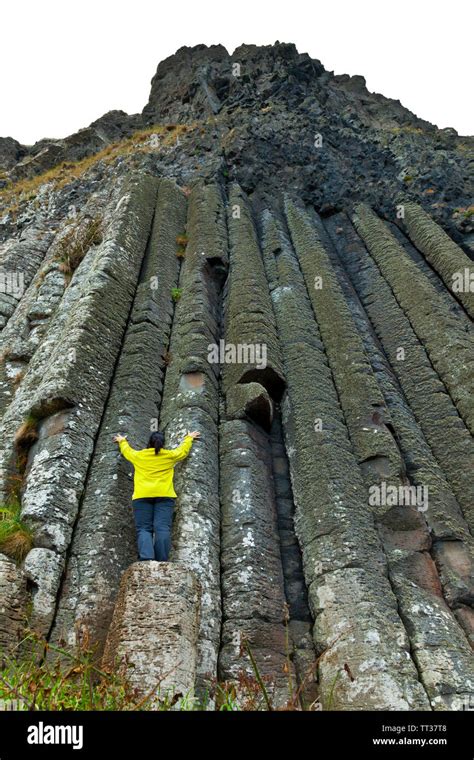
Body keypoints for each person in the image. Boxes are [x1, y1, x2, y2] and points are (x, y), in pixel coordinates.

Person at [113, 430, 201, 561]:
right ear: (163, 444)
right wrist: (189, 438)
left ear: (148, 443)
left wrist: (122, 441)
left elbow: (127, 451)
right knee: (162, 528)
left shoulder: (139, 456)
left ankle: (147, 558)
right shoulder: (169, 456)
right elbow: (182, 451)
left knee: (144, 528)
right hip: (164, 496)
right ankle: (161, 560)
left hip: (142, 496)